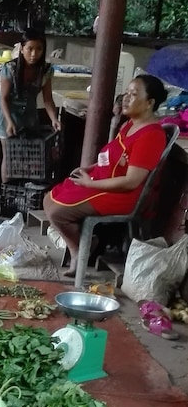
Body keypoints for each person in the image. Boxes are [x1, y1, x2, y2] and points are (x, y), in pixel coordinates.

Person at [44, 74, 168, 278]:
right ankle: (84, 243)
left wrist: (92, 184)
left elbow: (131, 181)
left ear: (150, 103)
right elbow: (111, 157)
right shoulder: (130, 124)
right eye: (126, 93)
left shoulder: (151, 135)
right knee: (49, 199)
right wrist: (90, 169)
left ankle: (78, 251)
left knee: (58, 212)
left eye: (134, 94)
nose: (126, 98)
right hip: (101, 181)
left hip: (122, 195)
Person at [0, 28, 60, 181]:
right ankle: (7, 193)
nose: (34, 54)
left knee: (27, 158)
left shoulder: (46, 70)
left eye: (39, 49)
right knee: (9, 157)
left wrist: (54, 119)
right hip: (6, 115)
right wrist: (9, 122)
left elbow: (47, 99)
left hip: (29, 117)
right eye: (30, 49)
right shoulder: (10, 68)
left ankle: (23, 192)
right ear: (22, 49)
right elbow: (4, 98)